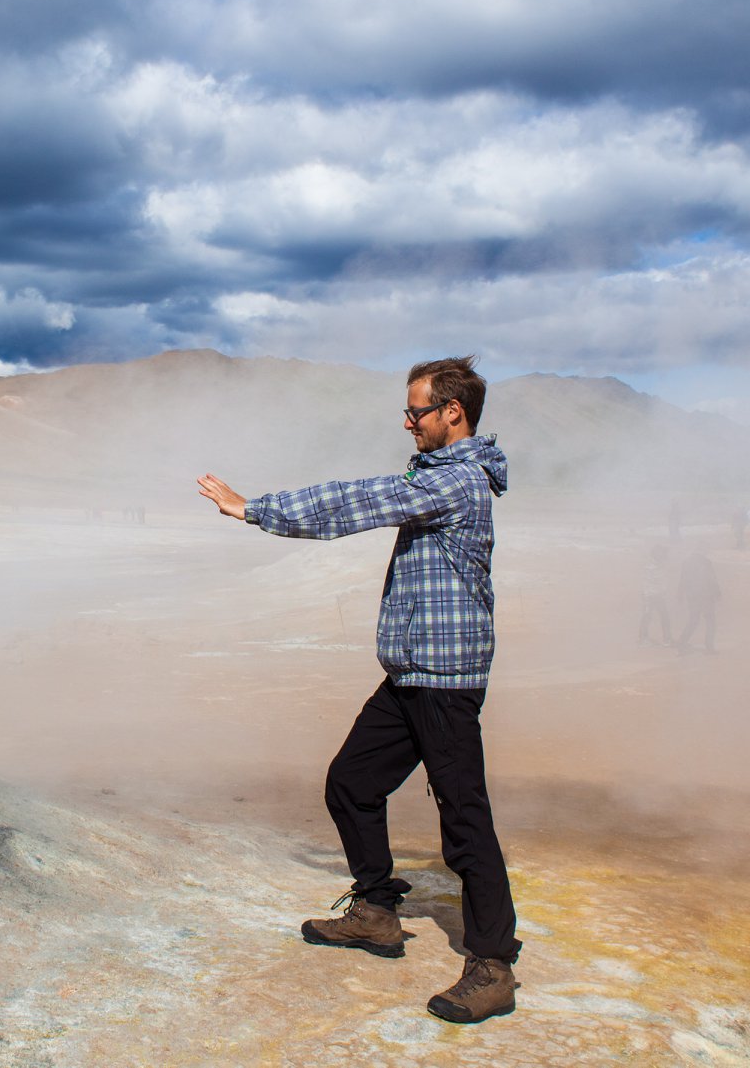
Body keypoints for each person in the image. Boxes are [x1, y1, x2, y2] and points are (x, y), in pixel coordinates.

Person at [196, 356, 521, 1024]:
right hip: (410, 672)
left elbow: (357, 501)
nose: (407, 422)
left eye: (416, 411)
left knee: (464, 820)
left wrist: (253, 509)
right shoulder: (437, 474)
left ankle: (492, 967)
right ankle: (376, 911)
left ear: (452, 412)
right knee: (351, 782)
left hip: (444, 678)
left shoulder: (456, 481)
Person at [675, 548, 720, 654]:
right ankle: (709, 646)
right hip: (706, 596)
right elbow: (712, 578)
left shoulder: (687, 562)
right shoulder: (706, 562)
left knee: (693, 620)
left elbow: (683, 579)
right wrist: (717, 592)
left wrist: (680, 593)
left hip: (692, 596)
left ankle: (682, 642)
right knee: (710, 621)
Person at [639, 545, 672, 646]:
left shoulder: (660, 565)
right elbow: (649, 582)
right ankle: (643, 639)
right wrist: (649, 595)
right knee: (647, 617)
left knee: (664, 617)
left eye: (662, 553)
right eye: (659, 553)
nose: (662, 555)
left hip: (658, 595)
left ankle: (667, 639)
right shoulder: (650, 566)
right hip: (650, 595)